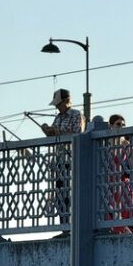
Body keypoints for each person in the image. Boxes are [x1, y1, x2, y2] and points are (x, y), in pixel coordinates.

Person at [40, 89, 83, 227]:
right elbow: (53, 136)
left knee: (69, 195)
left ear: (66, 101)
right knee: (59, 194)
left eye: (59, 104)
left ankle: (71, 227)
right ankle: (63, 226)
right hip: (59, 161)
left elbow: (78, 134)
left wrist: (60, 132)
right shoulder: (58, 118)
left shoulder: (76, 115)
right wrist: (48, 130)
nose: (57, 107)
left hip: (71, 160)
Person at [105, 115, 133, 233]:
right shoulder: (105, 143)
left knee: (125, 204)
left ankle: (125, 228)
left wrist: (128, 150)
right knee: (112, 205)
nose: (121, 127)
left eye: (123, 125)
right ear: (111, 126)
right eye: (118, 124)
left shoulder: (125, 144)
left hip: (122, 181)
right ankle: (116, 229)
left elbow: (132, 164)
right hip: (110, 181)